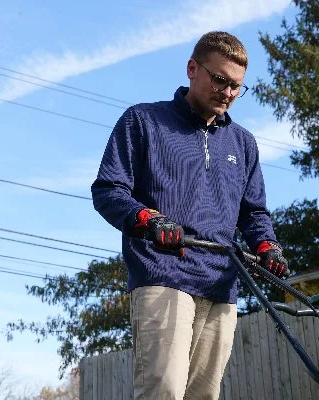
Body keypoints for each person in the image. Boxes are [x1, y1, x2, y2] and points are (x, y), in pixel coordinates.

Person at [90, 31, 288, 400]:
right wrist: (148, 219)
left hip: (221, 284)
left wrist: (267, 246)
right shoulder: (143, 121)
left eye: (236, 87)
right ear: (192, 69)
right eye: (220, 80)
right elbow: (108, 190)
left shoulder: (243, 144)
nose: (228, 93)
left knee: (204, 397)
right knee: (163, 391)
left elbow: (254, 211)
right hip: (164, 275)